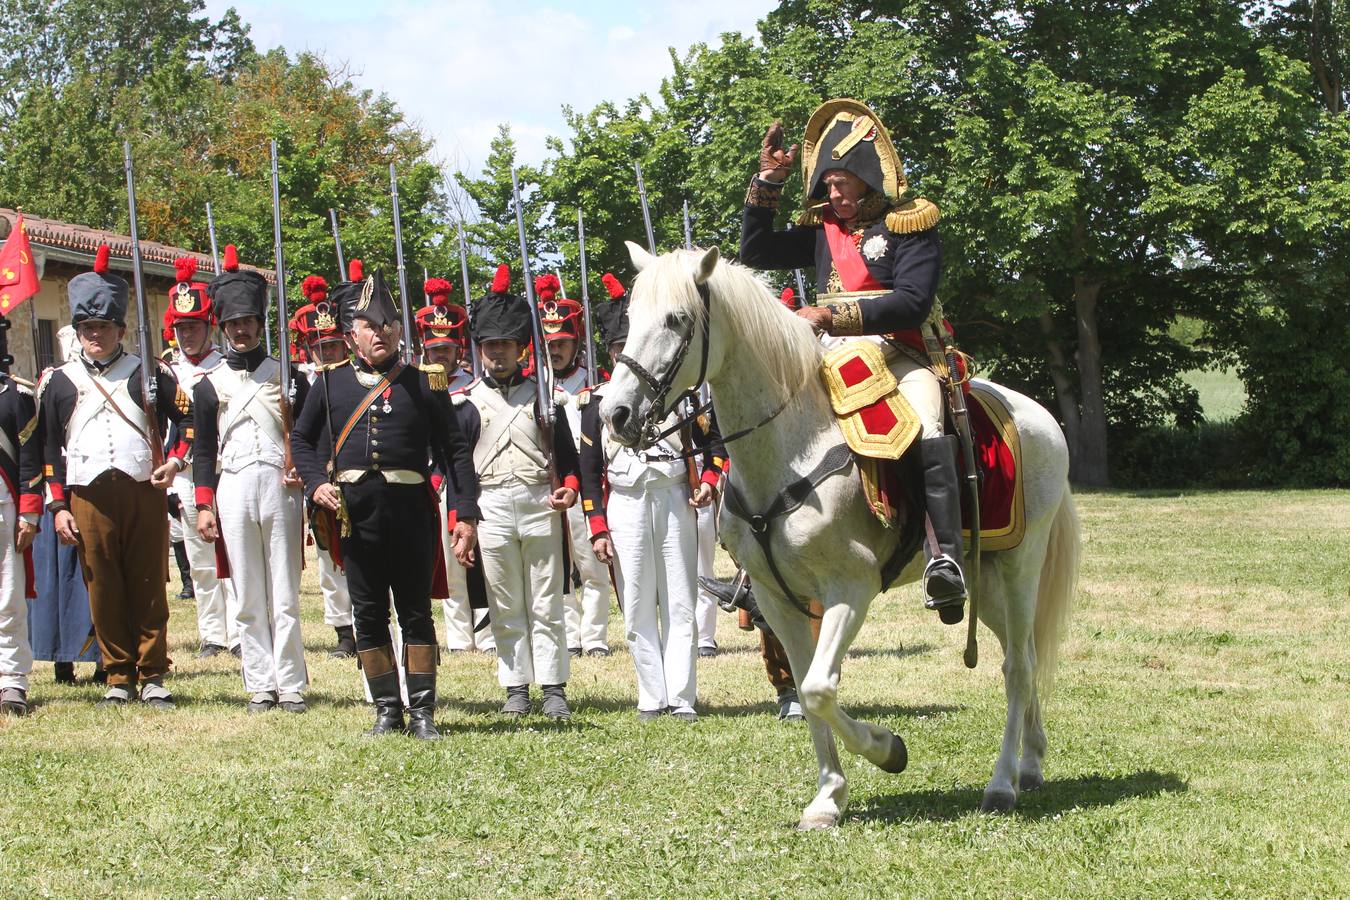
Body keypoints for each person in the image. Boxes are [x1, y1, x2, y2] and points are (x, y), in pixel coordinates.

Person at [739, 98, 967, 624]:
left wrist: (831, 315)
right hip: (833, 355)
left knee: (927, 423)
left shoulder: (910, 224)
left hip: (902, 351)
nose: (833, 194)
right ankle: (756, 566)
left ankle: (944, 556)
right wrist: (768, 183)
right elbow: (756, 252)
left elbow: (912, 302)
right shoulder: (825, 230)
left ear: (867, 179)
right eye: (827, 184)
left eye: (841, 183)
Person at [291, 262, 479, 740]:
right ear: (353, 334)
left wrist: (466, 514)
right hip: (355, 516)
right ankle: (387, 710)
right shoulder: (329, 382)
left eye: (389, 325)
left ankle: (423, 712)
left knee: (415, 611)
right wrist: (314, 483)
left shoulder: (425, 381)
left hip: (411, 513)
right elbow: (302, 440)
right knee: (368, 613)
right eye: (371, 326)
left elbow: (455, 451)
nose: (381, 333)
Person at [37, 244, 189, 707]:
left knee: (148, 584)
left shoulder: (149, 373)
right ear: (78, 331)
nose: (95, 335)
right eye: (87, 328)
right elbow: (48, 449)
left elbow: (189, 421)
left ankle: (153, 673)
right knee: (102, 587)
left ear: (120, 330)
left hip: (142, 490)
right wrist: (58, 505)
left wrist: (176, 461)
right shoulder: (58, 381)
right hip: (87, 495)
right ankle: (118, 675)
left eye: (103, 327)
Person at [579, 275, 726, 722]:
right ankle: (650, 696)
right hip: (625, 502)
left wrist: (709, 479)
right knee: (637, 602)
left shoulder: (684, 397)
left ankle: (682, 697)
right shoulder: (597, 403)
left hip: (674, 495)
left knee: (681, 599)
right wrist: (597, 527)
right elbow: (589, 473)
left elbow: (716, 442)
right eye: (618, 348)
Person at [453, 265, 581, 720]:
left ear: (521, 347)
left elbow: (568, 460)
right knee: (505, 602)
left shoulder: (544, 397)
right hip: (491, 506)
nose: (497, 353)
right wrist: (462, 519)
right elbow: (458, 469)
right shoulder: (465, 403)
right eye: (490, 345)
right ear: (480, 349)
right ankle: (515, 687)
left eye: (505, 345)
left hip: (538, 502)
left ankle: (553, 686)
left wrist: (568, 490)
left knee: (547, 601)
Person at [192, 246, 310, 714]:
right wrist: (204, 503)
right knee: (246, 591)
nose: (241, 330)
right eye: (233, 323)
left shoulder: (290, 376)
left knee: (284, 591)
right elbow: (204, 449)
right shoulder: (208, 385)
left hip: (281, 484)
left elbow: (308, 437)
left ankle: (291, 683)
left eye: (247, 322)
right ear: (223, 328)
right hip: (234, 484)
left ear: (261, 324)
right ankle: (260, 683)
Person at [162, 257, 237, 659]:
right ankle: (212, 633)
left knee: (234, 555)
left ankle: (240, 631)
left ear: (209, 326)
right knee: (200, 560)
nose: (187, 335)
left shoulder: (225, 368)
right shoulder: (166, 373)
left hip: (225, 469)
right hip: (185, 474)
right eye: (181, 328)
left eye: (193, 327)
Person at [416, 277, 494, 655]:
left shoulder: (473, 390)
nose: (441, 356)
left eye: (446, 349)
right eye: (435, 350)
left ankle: (488, 635)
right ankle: (460, 639)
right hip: (435, 483)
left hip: (471, 482)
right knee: (449, 565)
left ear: (457, 349)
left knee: (481, 562)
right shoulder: (418, 387)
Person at [535, 273, 611, 658]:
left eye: (562, 343)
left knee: (593, 566)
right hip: (550, 485)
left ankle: (595, 636)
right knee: (557, 568)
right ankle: (569, 635)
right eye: (550, 345)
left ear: (575, 342)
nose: (556, 351)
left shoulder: (596, 382)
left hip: (588, 482)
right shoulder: (535, 385)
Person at [28, 325, 102, 686]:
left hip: (92, 482)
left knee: (96, 577)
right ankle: (62, 660)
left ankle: (105, 656)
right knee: (57, 582)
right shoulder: (50, 383)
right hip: (57, 488)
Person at [291, 276, 356, 659]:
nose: (328, 352)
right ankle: (344, 633)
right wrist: (312, 479)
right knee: (329, 563)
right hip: (319, 481)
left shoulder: (357, 377)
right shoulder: (300, 384)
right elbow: (299, 436)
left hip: (356, 477)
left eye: (332, 345)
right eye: (321, 347)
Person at [0, 315, 42, 715]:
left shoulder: (16, 396)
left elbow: (30, 458)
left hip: (5, 504)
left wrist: (29, 510)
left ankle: (12, 679)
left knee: (8, 597)